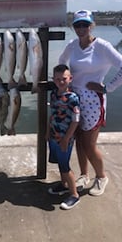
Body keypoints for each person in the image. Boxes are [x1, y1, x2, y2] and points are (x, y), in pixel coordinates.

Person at [59, 9, 122, 196]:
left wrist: (107, 88)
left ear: (91, 26)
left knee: (89, 144)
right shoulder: (72, 45)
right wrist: (64, 82)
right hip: (74, 98)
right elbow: (62, 64)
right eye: (77, 25)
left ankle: (101, 177)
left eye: (85, 25)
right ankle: (84, 174)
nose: (81, 28)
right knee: (78, 140)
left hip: (94, 101)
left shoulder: (102, 46)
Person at [46, 64, 80, 210]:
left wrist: (66, 138)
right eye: (57, 79)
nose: (60, 82)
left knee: (65, 166)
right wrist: (48, 131)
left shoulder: (73, 98)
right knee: (59, 163)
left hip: (65, 138)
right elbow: (52, 115)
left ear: (70, 79)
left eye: (64, 79)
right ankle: (64, 184)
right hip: (54, 136)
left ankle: (74, 195)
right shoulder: (53, 94)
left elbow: (75, 120)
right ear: (53, 79)